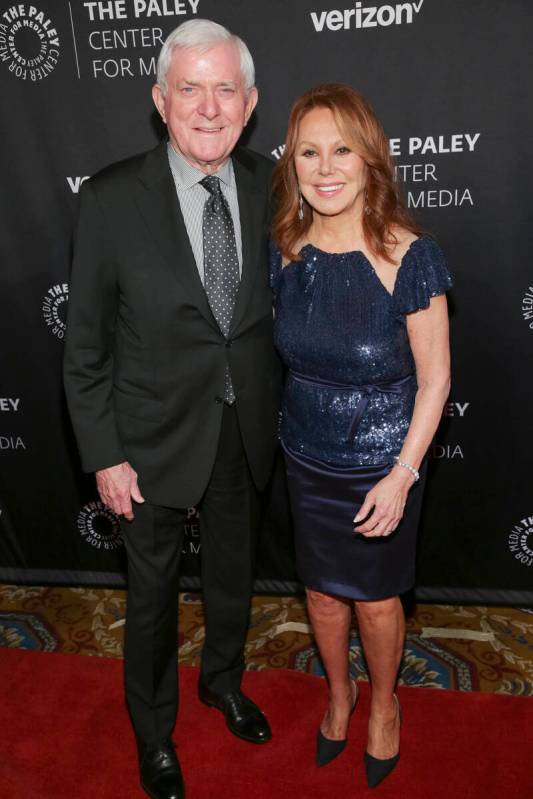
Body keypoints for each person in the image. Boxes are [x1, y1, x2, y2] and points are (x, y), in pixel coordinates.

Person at [64, 19, 281, 799]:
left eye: (226, 88)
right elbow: (84, 347)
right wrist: (103, 452)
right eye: (190, 88)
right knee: (151, 597)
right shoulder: (111, 198)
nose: (209, 106)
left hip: (241, 424)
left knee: (232, 577)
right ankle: (153, 732)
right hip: (146, 439)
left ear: (250, 102)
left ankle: (222, 680)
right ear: (160, 101)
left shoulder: (270, 184)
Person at [270, 84, 452, 788]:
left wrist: (402, 472)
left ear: (370, 158)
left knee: (375, 600)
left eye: (341, 148)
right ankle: (337, 694)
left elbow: (434, 380)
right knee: (320, 593)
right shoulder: (286, 251)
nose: (324, 167)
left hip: (381, 460)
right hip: (305, 452)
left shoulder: (411, 256)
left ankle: (382, 702)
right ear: (293, 164)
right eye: (309, 151)